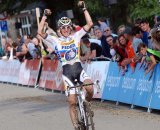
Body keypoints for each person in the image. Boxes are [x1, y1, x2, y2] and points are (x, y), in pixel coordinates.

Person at [37, 1, 93, 130]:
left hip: (79, 69)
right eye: (63, 27)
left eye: (68, 27)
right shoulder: (55, 40)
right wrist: (44, 16)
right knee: (72, 102)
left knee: (90, 89)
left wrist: (84, 9)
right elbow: (40, 31)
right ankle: (75, 125)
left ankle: (87, 105)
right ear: (60, 29)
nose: (66, 29)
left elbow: (89, 24)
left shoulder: (76, 36)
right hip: (67, 73)